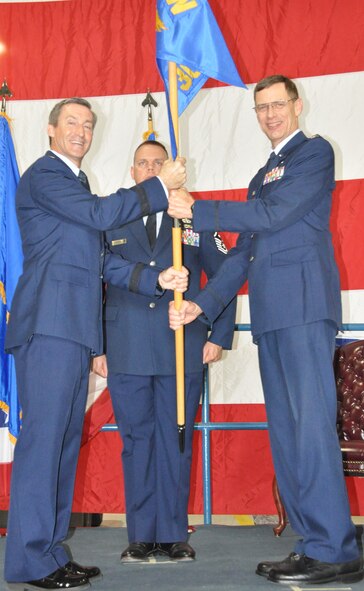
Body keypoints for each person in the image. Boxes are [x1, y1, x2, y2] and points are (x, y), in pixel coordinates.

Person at [168, 75, 364, 585]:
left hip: (302, 308)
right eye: (261, 108)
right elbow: (244, 257)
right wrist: (202, 304)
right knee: (287, 431)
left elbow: (273, 214)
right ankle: (313, 539)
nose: (270, 114)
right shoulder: (262, 175)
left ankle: (334, 547)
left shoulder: (313, 154)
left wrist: (199, 207)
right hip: (274, 316)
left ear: (298, 107)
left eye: (278, 104)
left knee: (311, 428)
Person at [4, 98, 188, 590]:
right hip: (48, 325)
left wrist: (155, 279)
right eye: (72, 122)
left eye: (88, 124)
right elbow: (101, 214)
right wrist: (159, 185)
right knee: (44, 445)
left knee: (63, 447)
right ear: (50, 129)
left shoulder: (76, 183)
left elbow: (104, 260)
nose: (81, 131)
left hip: (73, 329)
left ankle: (47, 551)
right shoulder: (46, 176)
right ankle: (29, 559)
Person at [92, 140, 236, 563]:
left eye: (160, 163)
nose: (151, 169)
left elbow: (224, 273)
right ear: (133, 171)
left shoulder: (192, 216)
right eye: (144, 163)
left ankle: (173, 534)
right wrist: (97, 347)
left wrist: (217, 334)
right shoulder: (111, 216)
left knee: (176, 440)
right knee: (136, 442)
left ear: (175, 171)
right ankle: (140, 535)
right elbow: (92, 283)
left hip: (182, 345)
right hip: (127, 347)